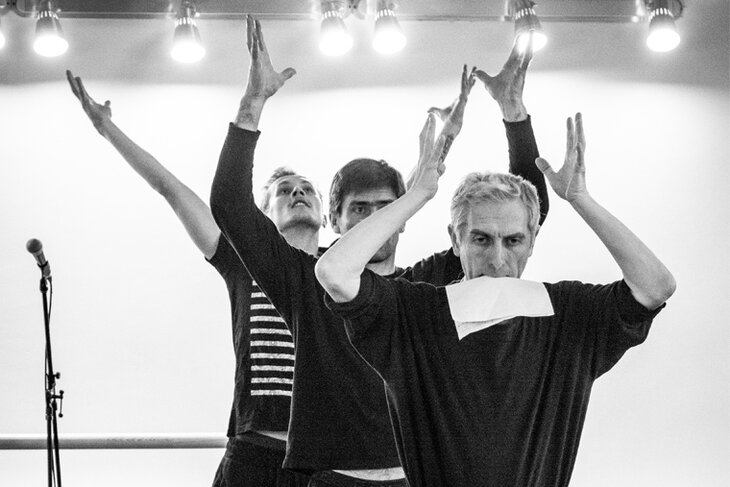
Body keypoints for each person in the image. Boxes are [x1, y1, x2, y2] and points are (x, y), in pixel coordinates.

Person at [211, 16, 553, 486]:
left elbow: (528, 211)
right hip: (331, 479)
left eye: (385, 209)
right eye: (359, 210)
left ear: (402, 216)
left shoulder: (423, 286)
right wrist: (252, 104)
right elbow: (230, 205)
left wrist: (514, 113)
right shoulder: (306, 283)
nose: (374, 221)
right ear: (334, 222)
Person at [315, 111, 677, 487]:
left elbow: (656, 286)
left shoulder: (566, 313)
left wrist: (581, 200)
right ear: (456, 240)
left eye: (513, 240)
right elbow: (335, 272)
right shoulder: (416, 313)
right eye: (481, 239)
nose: (498, 260)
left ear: (532, 241)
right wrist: (418, 194)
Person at [66, 25, 312, 485]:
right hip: (255, 452)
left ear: (325, 213)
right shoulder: (243, 261)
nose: (298, 193)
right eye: (284, 190)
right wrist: (106, 129)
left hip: (318, 459)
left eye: (306, 189)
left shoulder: (340, 269)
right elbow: (170, 189)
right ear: (263, 214)